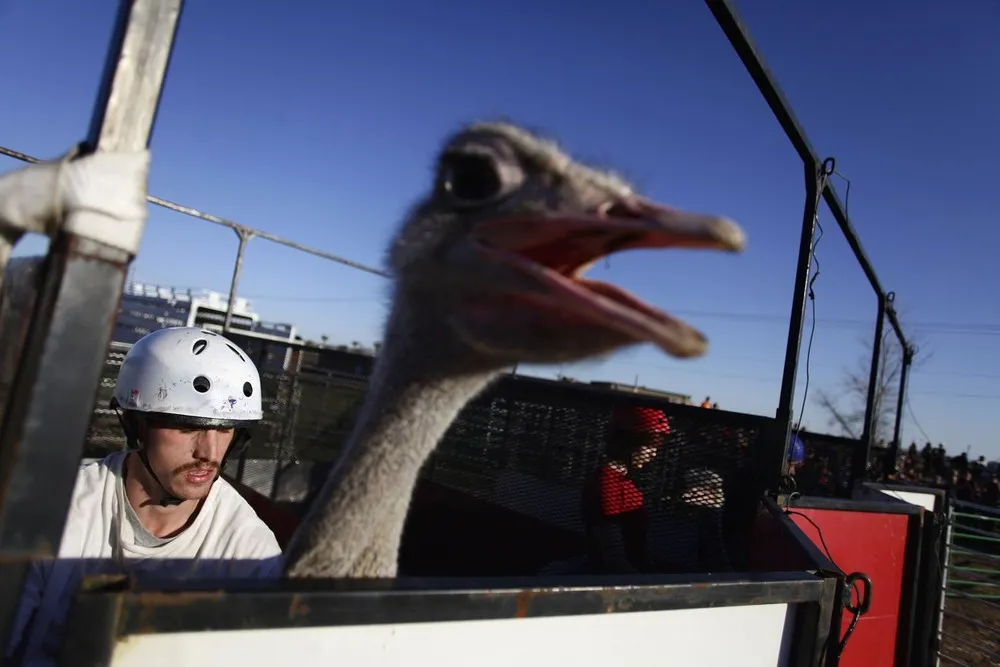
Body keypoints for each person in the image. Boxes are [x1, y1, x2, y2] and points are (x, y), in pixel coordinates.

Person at [7, 327, 283, 666]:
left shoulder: (251, 551)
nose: (209, 452)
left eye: (225, 429)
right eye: (188, 425)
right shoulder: (60, 509)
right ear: (137, 425)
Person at [582, 404, 669, 574]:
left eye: (656, 447)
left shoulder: (622, 479)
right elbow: (613, 557)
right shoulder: (609, 484)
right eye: (649, 445)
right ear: (628, 442)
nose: (654, 453)